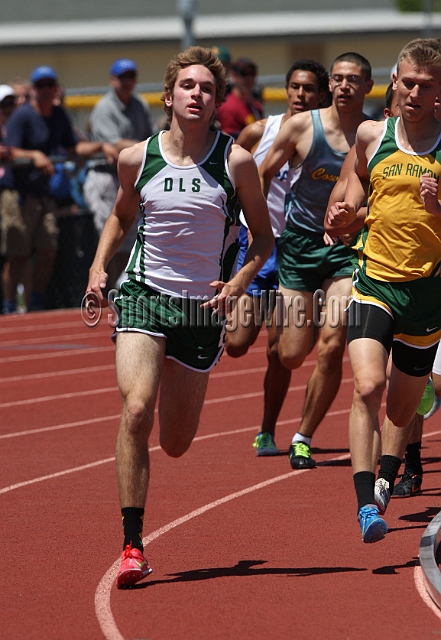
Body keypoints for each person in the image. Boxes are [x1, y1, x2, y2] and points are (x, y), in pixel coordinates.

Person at [85, 46, 274, 588]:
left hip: (201, 311)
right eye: (188, 86)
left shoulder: (235, 162)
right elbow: (121, 219)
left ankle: (176, 370)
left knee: (175, 442)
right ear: (169, 97)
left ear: (217, 102)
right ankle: (132, 545)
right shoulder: (135, 158)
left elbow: (262, 238)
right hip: (144, 294)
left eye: (207, 89)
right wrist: (100, 268)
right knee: (137, 409)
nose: (197, 94)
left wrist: (237, 283)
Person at [327, 38, 441, 543]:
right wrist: (343, 216)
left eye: (426, 85)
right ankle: (365, 507)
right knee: (368, 387)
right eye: (408, 82)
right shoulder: (373, 136)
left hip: (427, 296)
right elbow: (351, 198)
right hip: (373, 283)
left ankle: (386, 480)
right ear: (395, 82)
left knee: (400, 410)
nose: (414, 93)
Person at [259, 52, 373, 470]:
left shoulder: (373, 133)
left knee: (331, 345)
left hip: (344, 252)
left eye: (352, 79)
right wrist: (257, 228)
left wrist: (354, 220)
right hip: (298, 250)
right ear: (332, 86)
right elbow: (262, 174)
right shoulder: (301, 127)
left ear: (367, 87)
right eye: (338, 78)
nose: (344, 85)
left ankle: (302, 436)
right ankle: (293, 337)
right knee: (290, 354)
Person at [225, 59, 330, 456]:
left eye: (308, 89)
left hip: (299, 252)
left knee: (281, 353)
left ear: (321, 95)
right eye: (295, 87)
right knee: (236, 343)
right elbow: (226, 173)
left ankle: (267, 431)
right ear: (285, 91)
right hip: (259, 250)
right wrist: (237, 224)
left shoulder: (327, 136)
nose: (300, 95)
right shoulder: (260, 131)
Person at [0, 65, 118, 314]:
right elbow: (8, 150)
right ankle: (9, 304)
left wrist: (101, 147)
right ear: (33, 90)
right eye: (40, 86)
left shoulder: (59, 115)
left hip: (44, 195)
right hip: (18, 195)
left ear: (55, 89)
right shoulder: (22, 116)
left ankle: (36, 299)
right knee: (18, 254)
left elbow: (75, 148)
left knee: (48, 250)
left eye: (49, 85)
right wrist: (34, 155)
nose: (45, 90)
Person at [83, 58, 155, 291]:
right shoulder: (105, 107)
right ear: (112, 80)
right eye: (122, 77)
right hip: (105, 176)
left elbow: (151, 135)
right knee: (110, 233)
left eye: (130, 76)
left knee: (130, 237)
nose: (127, 82)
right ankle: (102, 288)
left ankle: (120, 288)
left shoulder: (139, 104)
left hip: (130, 179)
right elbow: (114, 144)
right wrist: (146, 146)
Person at [217, 57, 263, 139]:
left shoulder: (256, 106)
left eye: (252, 73)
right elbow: (230, 141)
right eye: (243, 73)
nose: (248, 78)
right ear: (234, 76)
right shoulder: (229, 107)